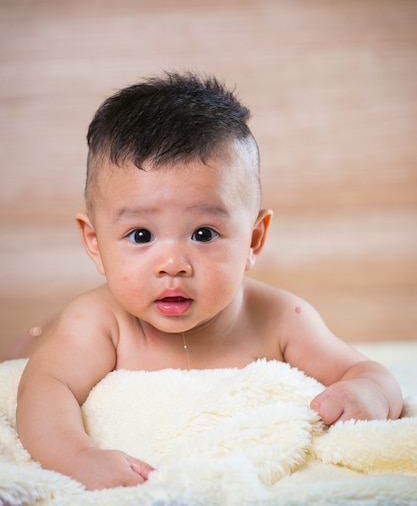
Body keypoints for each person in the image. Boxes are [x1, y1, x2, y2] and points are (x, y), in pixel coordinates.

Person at [15, 71, 403, 491]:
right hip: (46, 336)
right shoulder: (98, 322)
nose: (173, 264)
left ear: (253, 239)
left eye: (204, 234)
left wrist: (369, 394)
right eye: (141, 236)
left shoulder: (280, 318)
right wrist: (79, 458)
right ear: (94, 242)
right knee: (32, 351)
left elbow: (365, 371)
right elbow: (43, 387)